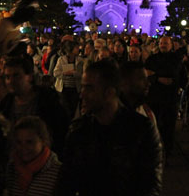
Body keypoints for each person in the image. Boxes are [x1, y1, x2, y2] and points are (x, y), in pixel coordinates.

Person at [58, 60, 163, 196]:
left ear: (109, 93)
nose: (82, 94)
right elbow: (65, 183)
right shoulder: (79, 131)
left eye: (89, 88)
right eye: (83, 87)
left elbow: (150, 185)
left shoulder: (141, 130)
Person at [1, 56, 69, 155]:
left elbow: (61, 131)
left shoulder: (48, 101)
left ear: (29, 76)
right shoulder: (5, 104)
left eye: (16, 75)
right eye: (7, 77)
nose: (11, 81)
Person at [145, 35, 183, 157]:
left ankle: (167, 151)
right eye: (161, 43)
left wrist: (157, 75)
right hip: (155, 97)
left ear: (171, 45)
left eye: (166, 43)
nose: (163, 45)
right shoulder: (152, 59)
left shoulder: (176, 59)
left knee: (169, 126)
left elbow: (178, 76)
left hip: (170, 98)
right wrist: (158, 78)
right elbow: (147, 74)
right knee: (155, 125)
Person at [7, 116, 62, 196]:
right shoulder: (12, 168)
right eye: (19, 142)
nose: (23, 147)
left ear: (43, 141)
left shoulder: (57, 172)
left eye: (29, 142)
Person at [53, 40, 83, 118]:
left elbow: (82, 74)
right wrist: (64, 73)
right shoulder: (61, 59)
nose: (78, 49)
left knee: (74, 109)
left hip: (75, 89)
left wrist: (74, 73)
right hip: (64, 89)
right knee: (65, 109)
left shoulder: (80, 60)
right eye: (76, 48)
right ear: (71, 49)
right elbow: (55, 73)